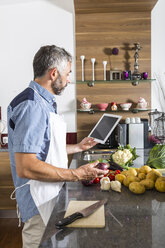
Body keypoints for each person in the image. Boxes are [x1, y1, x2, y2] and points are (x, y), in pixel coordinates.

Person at [7, 45, 108, 248]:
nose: (69, 79)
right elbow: (26, 166)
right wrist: (77, 174)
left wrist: (77, 147)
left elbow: (46, 148)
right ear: (54, 73)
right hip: (38, 202)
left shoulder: (43, 102)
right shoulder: (32, 106)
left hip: (48, 194)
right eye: (68, 73)